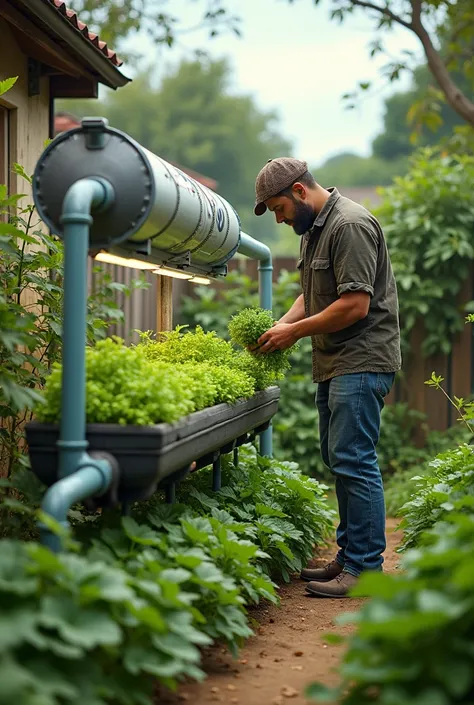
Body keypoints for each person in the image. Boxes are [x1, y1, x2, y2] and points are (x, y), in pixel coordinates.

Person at [253, 158, 401, 597]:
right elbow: (312, 293)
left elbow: (354, 304)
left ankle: (365, 568)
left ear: (299, 191)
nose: (279, 219)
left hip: (362, 358)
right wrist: (282, 325)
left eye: (279, 208)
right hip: (336, 360)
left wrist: (294, 332)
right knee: (340, 458)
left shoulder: (349, 225)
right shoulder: (316, 230)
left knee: (355, 460)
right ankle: (350, 556)